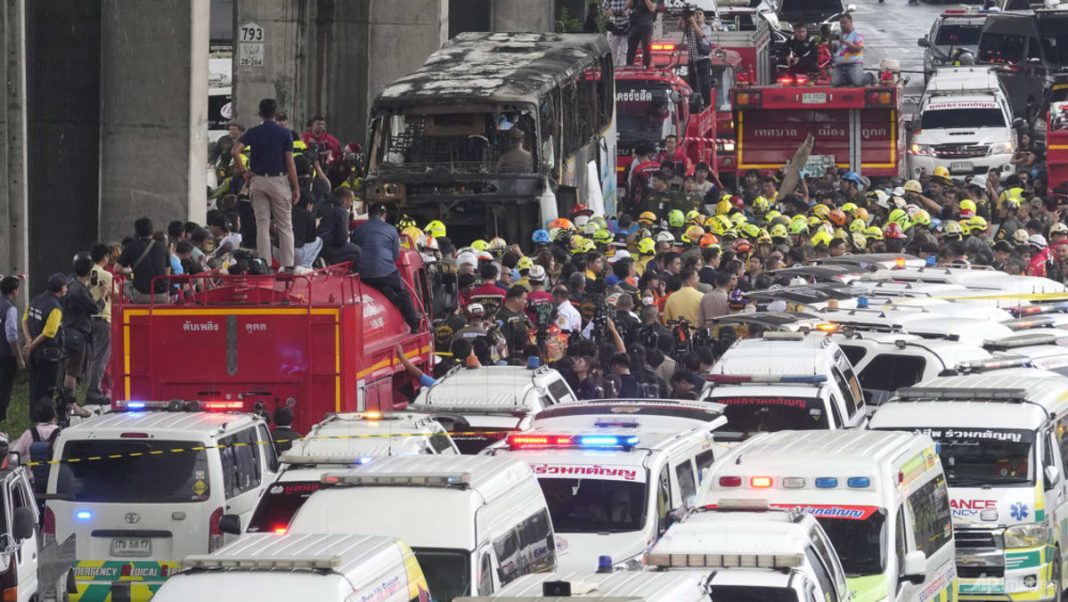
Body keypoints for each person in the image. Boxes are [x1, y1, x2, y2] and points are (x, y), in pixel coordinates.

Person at [233, 98, 300, 270]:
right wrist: (296, 186)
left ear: (259, 113)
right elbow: (290, 163)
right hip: (278, 180)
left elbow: (235, 150)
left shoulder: (253, 132)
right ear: (276, 113)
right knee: (285, 225)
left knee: (261, 225)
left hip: (258, 180)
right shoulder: (285, 134)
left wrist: (243, 171)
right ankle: (288, 266)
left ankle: (264, 265)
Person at [351, 204, 422, 331]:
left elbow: (354, 252)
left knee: (380, 285)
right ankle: (414, 324)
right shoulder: (391, 230)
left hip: (362, 275)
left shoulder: (358, 230)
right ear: (383, 215)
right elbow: (395, 256)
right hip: (386, 273)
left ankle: (393, 300)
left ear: (369, 214)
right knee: (403, 293)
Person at [22, 274, 67, 410]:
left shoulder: (36, 299)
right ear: (62, 289)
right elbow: (49, 332)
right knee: (47, 389)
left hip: (35, 354)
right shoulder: (55, 308)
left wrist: (29, 341)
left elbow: (24, 320)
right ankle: (43, 418)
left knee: (35, 386)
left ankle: (34, 415)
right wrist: (32, 345)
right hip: (48, 355)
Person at [116, 217, 170, 303]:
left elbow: (116, 269)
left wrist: (129, 272)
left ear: (136, 232)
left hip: (141, 295)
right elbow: (167, 273)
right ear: (152, 231)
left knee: (123, 284)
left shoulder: (131, 247)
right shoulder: (163, 247)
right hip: (163, 295)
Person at [85, 244, 112, 404]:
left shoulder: (87, 274)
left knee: (91, 358)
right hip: (102, 318)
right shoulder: (106, 275)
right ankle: (95, 391)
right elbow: (118, 294)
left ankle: (91, 388)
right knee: (101, 358)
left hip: (88, 320)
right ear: (105, 257)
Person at [317, 188, 361, 268]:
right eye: (351, 201)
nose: (351, 204)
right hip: (328, 247)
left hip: (314, 246)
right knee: (358, 251)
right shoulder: (341, 211)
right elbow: (342, 239)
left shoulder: (321, 204)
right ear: (344, 200)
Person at [0, 277, 23, 422]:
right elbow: (12, 336)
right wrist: (19, 357)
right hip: (5, 355)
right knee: (4, 388)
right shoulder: (10, 308)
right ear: (14, 291)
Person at [681, 9, 713, 108]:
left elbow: (701, 34)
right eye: (696, 14)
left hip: (703, 59)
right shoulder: (690, 28)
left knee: (704, 82)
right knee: (692, 82)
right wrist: (682, 17)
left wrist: (693, 22)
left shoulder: (706, 28)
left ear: (704, 17)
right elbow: (680, 27)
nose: (698, 16)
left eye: (700, 14)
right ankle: (695, 103)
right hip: (692, 59)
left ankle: (707, 103)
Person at [831, 14, 865, 87]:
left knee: (858, 82)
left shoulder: (857, 34)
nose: (842, 25)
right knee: (835, 83)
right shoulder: (838, 33)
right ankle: (848, 79)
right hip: (839, 64)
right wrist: (829, 41)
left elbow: (858, 49)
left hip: (854, 63)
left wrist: (845, 42)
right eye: (841, 23)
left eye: (844, 22)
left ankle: (870, 77)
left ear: (851, 21)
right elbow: (833, 49)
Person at [292, 195, 323, 269]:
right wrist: (315, 226)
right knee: (319, 241)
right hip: (295, 253)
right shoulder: (309, 215)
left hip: (277, 252)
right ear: (309, 204)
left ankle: (286, 265)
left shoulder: (288, 211)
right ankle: (306, 266)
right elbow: (310, 239)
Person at [625, 0, 658, 68]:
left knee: (646, 46)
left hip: (646, 24)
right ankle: (629, 65)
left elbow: (652, 8)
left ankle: (646, 65)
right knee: (631, 46)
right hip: (635, 23)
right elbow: (626, 6)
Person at [602, 0, 630, 66]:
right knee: (611, 51)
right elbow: (604, 9)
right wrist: (612, 13)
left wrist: (627, 12)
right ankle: (612, 68)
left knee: (624, 50)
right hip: (613, 27)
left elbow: (632, 8)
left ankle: (622, 68)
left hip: (625, 27)